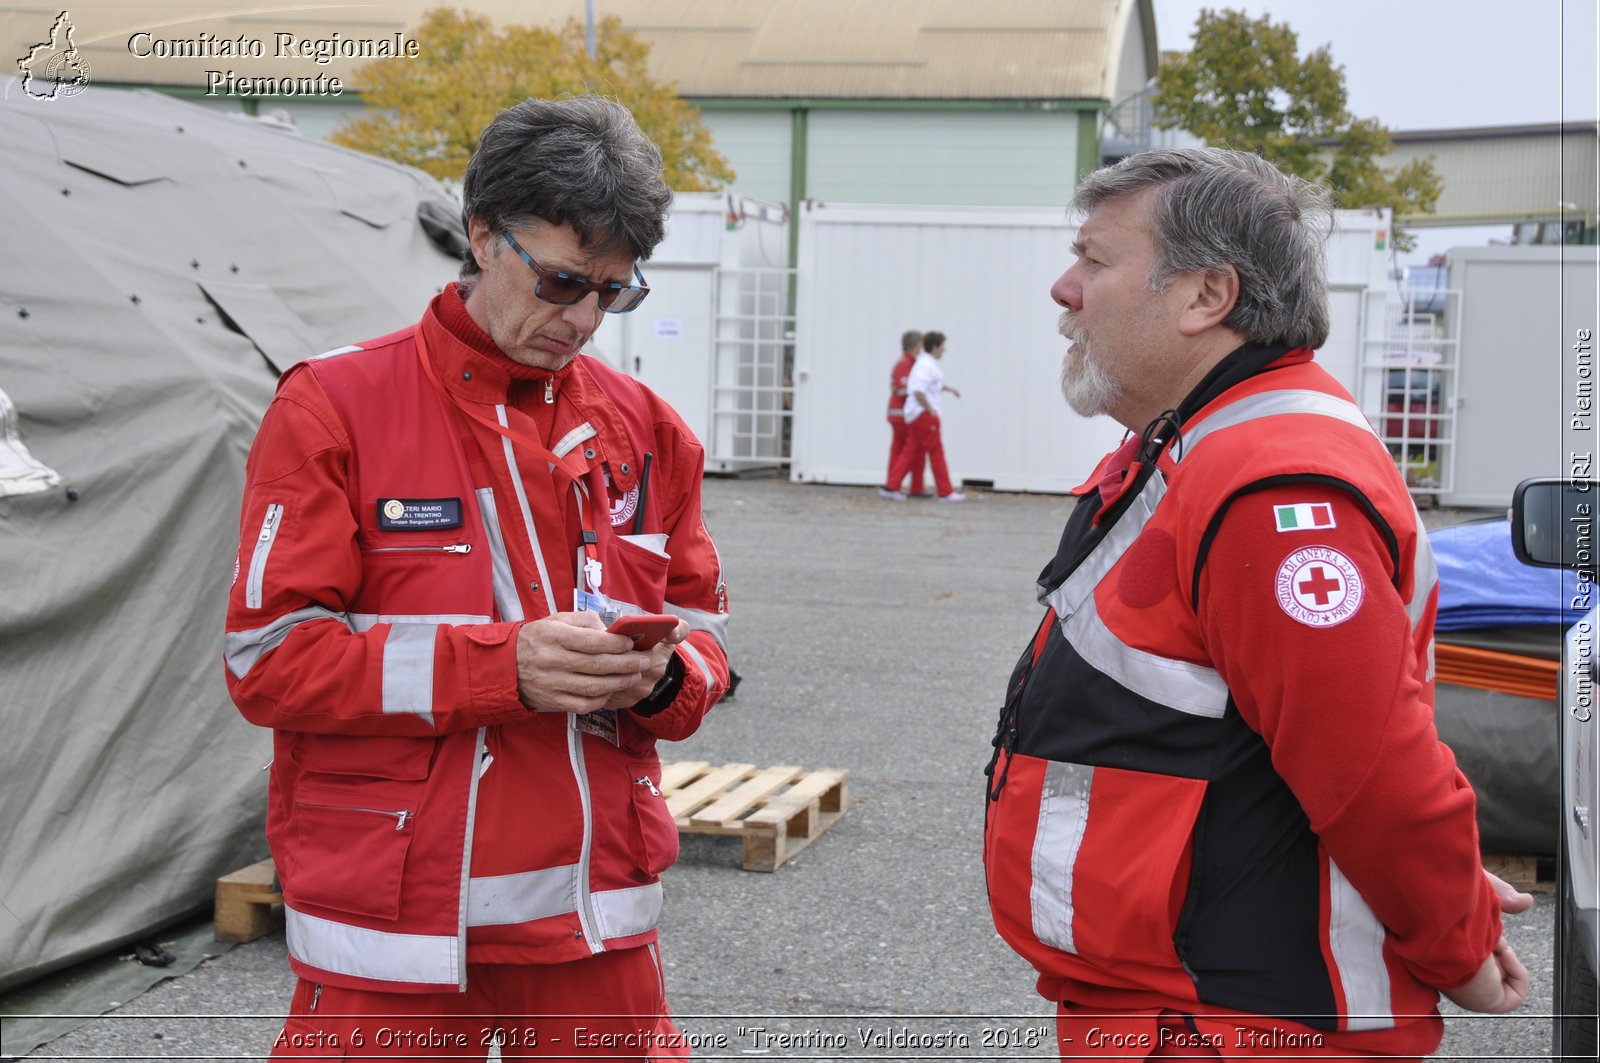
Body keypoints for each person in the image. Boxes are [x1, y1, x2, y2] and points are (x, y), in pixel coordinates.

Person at [981, 148, 1528, 1060]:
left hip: (1240, 1024)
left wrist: (1457, 942)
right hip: (1186, 1006)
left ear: (1207, 296)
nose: (1063, 288)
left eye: (1094, 259)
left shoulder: (1271, 485)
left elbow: (1370, 769)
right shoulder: (1209, 444)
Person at [223, 96, 731, 1061]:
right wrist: (505, 669)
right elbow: (270, 662)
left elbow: (702, 637)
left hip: (595, 915)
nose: (583, 319)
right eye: (562, 282)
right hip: (395, 928)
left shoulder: (650, 430)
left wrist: (665, 678)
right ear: (481, 235)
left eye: (616, 293)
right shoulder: (334, 406)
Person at [886, 330, 965, 502]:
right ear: (935, 347)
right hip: (922, 415)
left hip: (914, 414)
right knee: (936, 452)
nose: (944, 350)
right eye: (942, 346)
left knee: (911, 451)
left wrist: (947, 388)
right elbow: (917, 390)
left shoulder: (922, 364)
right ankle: (945, 491)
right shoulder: (921, 365)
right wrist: (929, 409)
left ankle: (892, 486)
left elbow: (929, 385)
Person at [880, 329, 925, 500]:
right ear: (914, 345)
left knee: (899, 451)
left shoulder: (909, 363)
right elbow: (902, 390)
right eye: (920, 344)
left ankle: (905, 485)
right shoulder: (905, 364)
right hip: (902, 415)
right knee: (912, 450)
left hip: (900, 415)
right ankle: (895, 486)